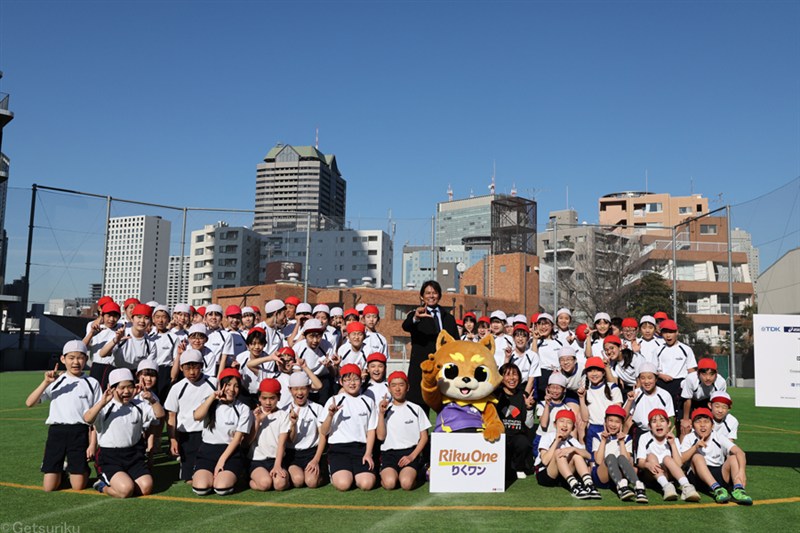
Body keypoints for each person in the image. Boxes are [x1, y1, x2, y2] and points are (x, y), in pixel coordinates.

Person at [26, 340, 101, 492]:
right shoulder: (56, 381)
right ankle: (62, 468)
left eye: (80, 357)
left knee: (78, 486)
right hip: (57, 432)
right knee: (49, 487)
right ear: (63, 359)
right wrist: (45, 382)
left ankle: (79, 469)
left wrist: (92, 444)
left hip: (80, 433)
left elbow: (96, 419)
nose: (75, 362)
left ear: (86, 359)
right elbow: (30, 403)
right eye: (71, 357)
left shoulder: (91, 382)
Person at [86, 368, 164, 498]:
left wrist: (152, 400)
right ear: (112, 388)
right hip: (110, 457)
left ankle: (124, 478)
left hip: (134, 455)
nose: (126, 391)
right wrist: (102, 402)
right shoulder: (105, 406)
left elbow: (160, 414)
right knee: (126, 490)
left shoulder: (139, 405)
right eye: (122, 388)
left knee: (146, 488)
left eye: (130, 387)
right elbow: (88, 418)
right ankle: (102, 485)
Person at [191, 368, 253, 496]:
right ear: (221, 384)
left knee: (221, 488)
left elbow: (237, 439)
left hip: (230, 453)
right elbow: (197, 416)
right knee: (201, 488)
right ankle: (210, 476)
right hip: (207, 451)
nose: (232, 389)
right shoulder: (210, 402)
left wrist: (221, 461)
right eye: (228, 384)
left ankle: (232, 475)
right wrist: (213, 397)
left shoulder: (243, 408)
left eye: (236, 386)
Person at [401, 280, 459, 412]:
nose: (431, 296)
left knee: (446, 408)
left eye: (434, 293)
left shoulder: (448, 318)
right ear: (422, 296)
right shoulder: (416, 315)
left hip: (444, 369)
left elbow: (455, 342)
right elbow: (406, 326)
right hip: (422, 368)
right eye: (427, 293)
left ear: (439, 295)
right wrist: (416, 317)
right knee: (420, 408)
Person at [321, 364, 378, 491]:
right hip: (338, 450)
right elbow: (323, 431)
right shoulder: (334, 400)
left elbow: (371, 430)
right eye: (347, 380)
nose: (352, 383)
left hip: (360, 449)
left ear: (361, 380)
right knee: (343, 484)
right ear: (341, 382)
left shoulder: (368, 401)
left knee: (367, 484)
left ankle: (355, 473)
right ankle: (337, 473)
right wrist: (330, 415)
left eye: (356, 379)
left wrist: (368, 453)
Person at [679, 407, 752, 505]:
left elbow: (740, 453)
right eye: (698, 422)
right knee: (697, 456)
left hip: (719, 474)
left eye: (706, 421)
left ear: (712, 425)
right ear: (692, 425)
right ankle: (717, 489)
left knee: (733, 457)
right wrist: (695, 447)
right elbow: (681, 460)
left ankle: (738, 489)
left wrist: (742, 472)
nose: (702, 425)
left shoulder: (718, 436)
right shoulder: (689, 437)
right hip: (699, 478)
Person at [164, 348, 217, 482]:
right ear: (181, 368)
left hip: (210, 432)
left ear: (202, 366)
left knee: (211, 473)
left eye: (196, 367)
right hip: (187, 435)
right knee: (189, 479)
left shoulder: (214, 383)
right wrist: (173, 439)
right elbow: (171, 415)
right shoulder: (177, 388)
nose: (192, 372)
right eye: (187, 368)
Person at [376, 371, 430, 490]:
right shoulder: (384, 409)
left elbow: (424, 437)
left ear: (407, 387)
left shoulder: (416, 409)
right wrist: (381, 414)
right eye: (394, 385)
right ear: (389, 388)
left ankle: (417, 470)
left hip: (409, 453)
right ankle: (384, 473)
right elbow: (380, 437)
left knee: (406, 484)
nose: (397, 389)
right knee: (390, 484)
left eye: (401, 385)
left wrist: (411, 456)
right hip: (389, 454)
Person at [635, 408, 700, 502]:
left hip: (669, 475)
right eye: (654, 421)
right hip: (651, 475)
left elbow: (678, 464)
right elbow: (640, 462)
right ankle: (667, 487)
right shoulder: (644, 437)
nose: (658, 424)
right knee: (651, 456)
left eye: (662, 420)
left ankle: (686, 486)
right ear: (649, 426)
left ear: (668, 424)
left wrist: (673, 444)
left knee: (667, 458)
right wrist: (647, 464)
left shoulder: (674, 439)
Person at [535, 409, 601, 500]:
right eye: (561, 421)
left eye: (569, 422)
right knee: (559, 452)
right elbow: (545, 461)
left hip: (563, 478)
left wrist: (574, 449)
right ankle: (575, 487)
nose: (565, 425)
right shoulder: (547, 437)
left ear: (573, 428)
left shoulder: (572, 441)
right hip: (546, 475)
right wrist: (557, 441)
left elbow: (589, 456)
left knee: (576, 454)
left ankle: (589, 485)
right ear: (555, 424)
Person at [592, 405, 647, 503]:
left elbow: (627, 461)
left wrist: (621, 442)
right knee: (611, 456)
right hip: (603, 476)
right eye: (611, 421)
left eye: (617, 422)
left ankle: (639, 488)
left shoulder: (627, 438)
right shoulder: (598, 436)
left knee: (622, 458)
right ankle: (622, 487)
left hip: (621, 474)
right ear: (605, 422)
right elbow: (599, 461)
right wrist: (603, 441)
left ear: (622, 424)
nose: (613, 425)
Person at [283, 372, 327, 489]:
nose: (299, 393)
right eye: (295, 389)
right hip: (292, 455)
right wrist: (293, 424)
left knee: (311, 482)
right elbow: (289, 441)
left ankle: (323, 473)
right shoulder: (284, 410)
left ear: (309, 389)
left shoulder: (317, 408)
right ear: (290, 390)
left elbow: (322, 435)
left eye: (303, 388)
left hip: (312, 453)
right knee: (298, 481)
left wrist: (316, 459)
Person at [248, 378, 291, 492]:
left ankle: (285, 479)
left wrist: (277, 465)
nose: (268, 402)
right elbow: (247, 442)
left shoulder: (283, 415)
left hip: (276, 459)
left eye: (272, 398)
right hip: (257, 460)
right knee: (265, 484)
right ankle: (250, 480)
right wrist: (257, 422)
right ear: (259, 398)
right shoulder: (253, 414)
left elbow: (281, 444)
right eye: (264, 398)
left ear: (279, 398)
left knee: (279, 485)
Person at [495, 363, 535, 478]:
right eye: (507, 375)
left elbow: (530, 425)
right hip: (500, 436)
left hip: (517, 436)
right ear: (501, 378)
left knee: (523, 442)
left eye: (515, 374)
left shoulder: (524, 396)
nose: (512, 378)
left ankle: (519, 467)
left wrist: (529, 408)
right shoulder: (496, 395)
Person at [654, 319, 697, 423]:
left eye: (671, 332)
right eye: (665, 332)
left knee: (680, 419)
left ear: (677, 332)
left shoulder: (686, 349)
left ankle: (681, 439)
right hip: (662, 385)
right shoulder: (658, 350)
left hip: (681, 386)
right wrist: (661, 376)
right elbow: (653, 370)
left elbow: (691, 371)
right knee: (661, 417)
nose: (668, 335)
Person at [578, 357, 623, 455]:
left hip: (610, 428)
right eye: (590, 371)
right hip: (592, 429)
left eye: (597, 370)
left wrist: (609, 428)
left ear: (603, 372)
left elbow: (618, 412)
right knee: (593, 463)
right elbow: (585, 418)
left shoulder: (613, 388)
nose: (594, 374)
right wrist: (581, 398)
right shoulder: (585, 391)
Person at [98, 303, 157, 372]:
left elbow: (147, 367)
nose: (142, 321)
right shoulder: (121, 333)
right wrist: (116, 340)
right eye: (139, 317)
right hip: (116, 370)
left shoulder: (151, 343)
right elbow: (102, 354)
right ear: (132, 319)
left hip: (136, 373)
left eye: (146, 318)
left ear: (150, 321)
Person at [680, 358, 727, 436]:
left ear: (716, 374)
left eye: (711, 374)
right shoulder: (690, 379)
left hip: (706, 400)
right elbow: (687, 399)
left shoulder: (721, 382)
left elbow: (719, 402)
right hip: (688, 399)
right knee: (686, 427)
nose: (708, 378)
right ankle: (684, 447)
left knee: (707, 425)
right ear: (698, 373)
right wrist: (686, 419)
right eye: (704, 374)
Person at [84, 302, 123, 389]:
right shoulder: (95, 327)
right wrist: (91, 333)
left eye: (115, 316)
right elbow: (82, 347)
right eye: (108, 316)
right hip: (98, 365)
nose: (112, 319)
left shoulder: (122, 327)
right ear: (102, 315)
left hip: (114, 366)